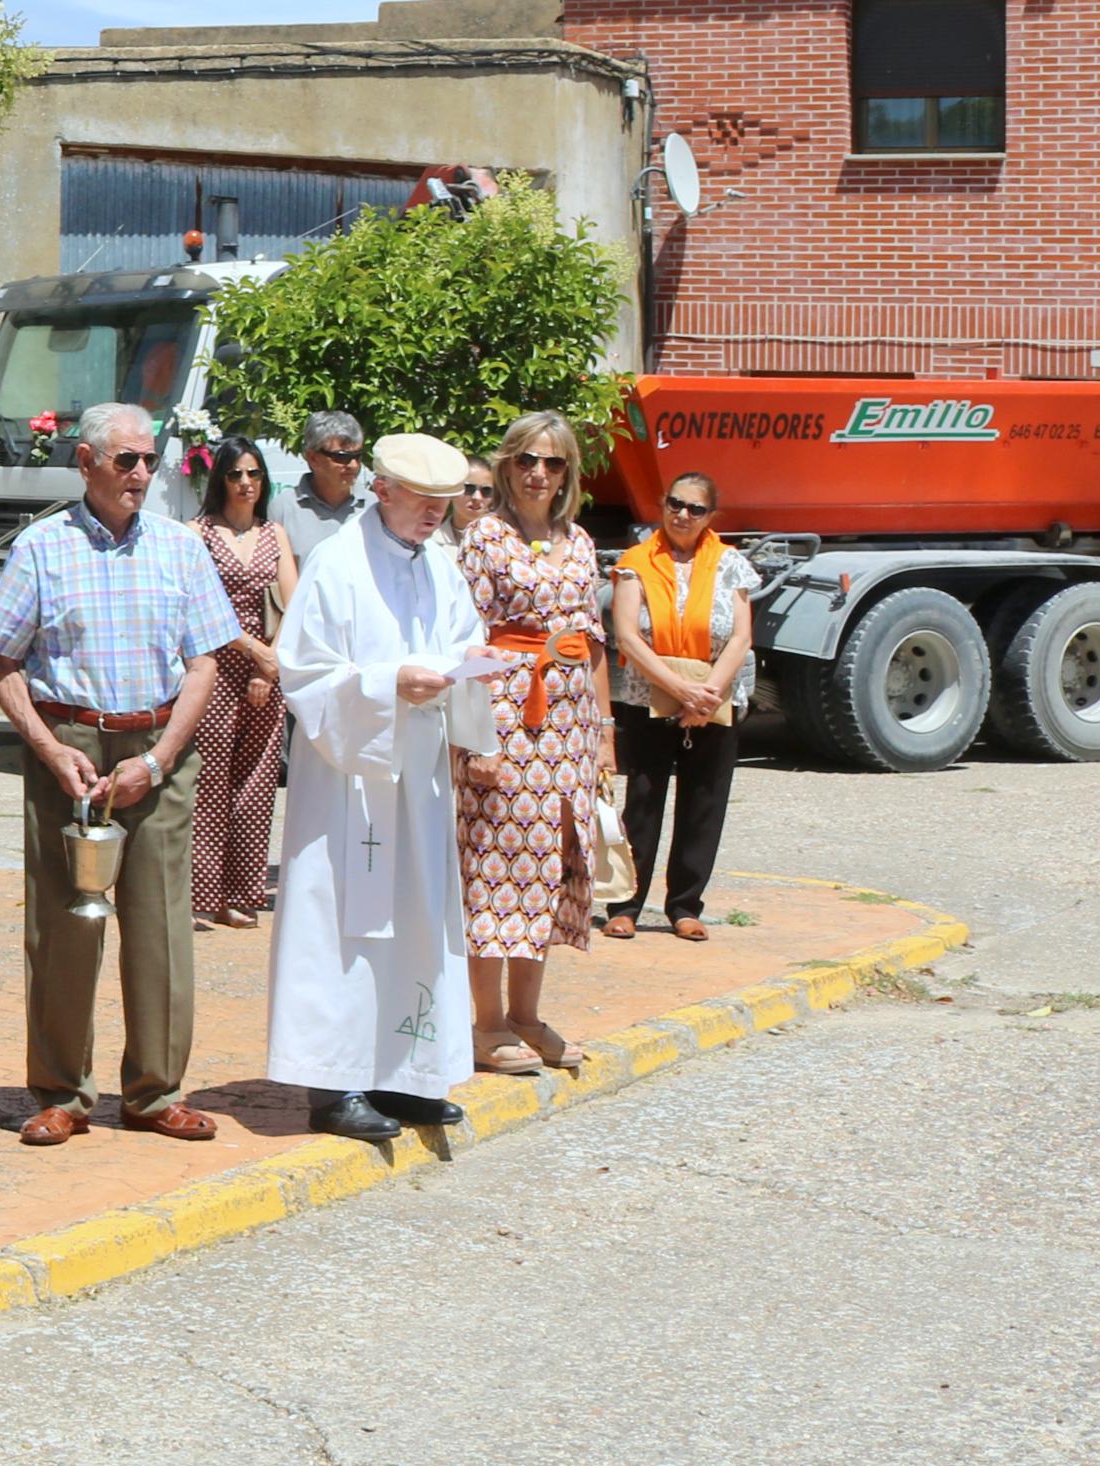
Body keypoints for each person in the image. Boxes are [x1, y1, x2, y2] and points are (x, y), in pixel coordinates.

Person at [0, 402, 238, 1146]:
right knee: (63, 926)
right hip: (71, 753)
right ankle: (61, 1092)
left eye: (149, 459)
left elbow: (204, 662)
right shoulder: (40, 548)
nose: (142, 474)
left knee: (158, 925)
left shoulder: (181, 548)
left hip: (158, 745)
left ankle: (155, 1092)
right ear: (85, 463)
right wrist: (51, 750)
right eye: (126, 460)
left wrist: (157, 760)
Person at [264, 431, 497, 1145]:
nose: (435, 516)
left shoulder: (439, 565)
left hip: (415, 772)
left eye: (444, 504)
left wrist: (466, 668)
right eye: (423, 501)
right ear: (385, 490)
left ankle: (405, 1071)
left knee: (415, 914)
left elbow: (461, 637)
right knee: (340, 920)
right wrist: (387, 682)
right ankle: (333, 1082)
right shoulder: (336, 563)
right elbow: (301, 670)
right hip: (347, 780)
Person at [455, 410, 608, 1076]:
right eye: (525, 460)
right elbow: (468, 640)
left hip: (568, 730)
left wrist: (603, 738)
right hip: (506, 722)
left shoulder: (579, 540)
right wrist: (479, 737)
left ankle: (525, 1013)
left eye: (551, 462)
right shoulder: (484, 537)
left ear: (567, 471)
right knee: (496, 870)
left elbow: (593, 641)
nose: (538, 473)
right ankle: (485, 1024)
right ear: (507, 464)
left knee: (549, 869)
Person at [607, 471, 754, 942]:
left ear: (711, 516)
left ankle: (685, 906)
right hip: (648, 695)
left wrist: (705, 694)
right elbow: (627, 634)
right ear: (661, 504)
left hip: (714, 697)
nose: (682, 515)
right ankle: (625, 905)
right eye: (675, 504)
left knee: (704, 803)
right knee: (644, 802)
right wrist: (679, 690)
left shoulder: (731, 564)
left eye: (695, 508)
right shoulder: (636, 562)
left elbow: (741, 637)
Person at [186, 439, 293, 930]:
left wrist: (268, 667)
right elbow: (200, 606)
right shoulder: (199, 533)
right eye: (235, 474)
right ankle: (198, 894)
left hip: (265, 672)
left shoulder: (275, 533)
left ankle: (239, 892)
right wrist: (252, 651)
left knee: (255, 785)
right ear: (220, 480)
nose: (246, 483)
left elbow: (292, 605)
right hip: (214, 665)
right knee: (208, 781)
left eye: (253, 473)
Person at [282, 412, 371, 567]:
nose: (353, 465)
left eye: (357, 456)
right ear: (312, 458)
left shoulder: (377, 509)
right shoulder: (282, 510)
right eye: (342, 457)